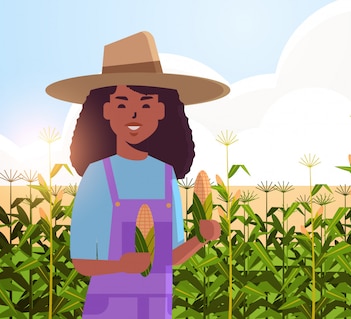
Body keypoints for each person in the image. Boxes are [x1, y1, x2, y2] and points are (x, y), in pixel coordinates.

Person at [46, 31, 228, 318]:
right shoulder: (97, 176)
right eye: (122, 104)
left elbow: (168, 258)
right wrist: (122, 265)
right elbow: (82, 261)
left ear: (161, 110)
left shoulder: (166, 174)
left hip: (157, 309)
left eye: (145, 104)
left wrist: (200, 239)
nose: (134, 115)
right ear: (105, 110)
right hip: (107, 310)